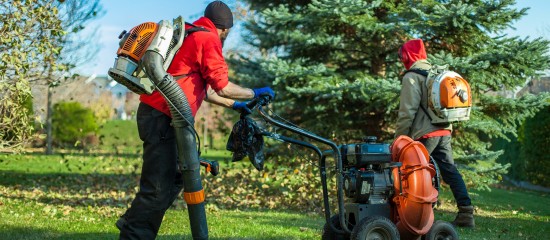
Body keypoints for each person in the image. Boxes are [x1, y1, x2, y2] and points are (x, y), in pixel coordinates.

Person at [116, 1, 275, 239]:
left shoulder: (190, 33)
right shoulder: (208, 40)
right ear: (225, 29)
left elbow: (207, 90)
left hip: (161, 116)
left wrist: (237, 105)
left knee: (180, 175)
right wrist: (255, 92)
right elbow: (222, 87)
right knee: (158, 187)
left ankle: (134, 220)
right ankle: (133, 233)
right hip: (162, 118)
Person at [395, 39, 475, 228]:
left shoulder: (412, 76)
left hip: (424, 133)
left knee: (414, 173)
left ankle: (422, 214)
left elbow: (407, 112)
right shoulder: (435, 71)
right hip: (444, 130)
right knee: (449, 169)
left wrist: (399, 139)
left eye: (402, 56)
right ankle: (466, 212)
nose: (401, 60)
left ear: (408, 55)